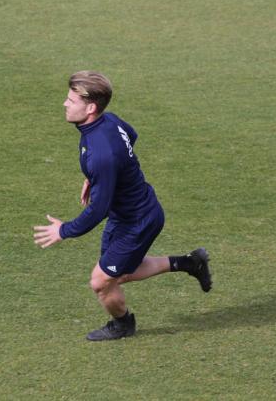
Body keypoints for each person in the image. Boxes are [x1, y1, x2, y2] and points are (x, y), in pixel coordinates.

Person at [33, 71, 212, 341]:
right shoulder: (109, 121)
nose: (64, 104)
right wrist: (96, 178)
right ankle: (189, 263)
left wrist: (64, 231)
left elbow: (98, 209)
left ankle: (123, 324)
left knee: (101, 282)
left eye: (71, 100)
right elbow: (132, 135)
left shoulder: (101, 153)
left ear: (90, 108)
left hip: (138, 221)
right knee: (120, 275)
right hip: (129, 214)